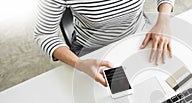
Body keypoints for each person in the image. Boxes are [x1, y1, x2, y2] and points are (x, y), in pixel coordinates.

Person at [34, 0, 174, 86]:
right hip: (93, 54)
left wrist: (164, 20)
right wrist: (80, 63)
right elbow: (44, 34)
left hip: (140, 39)